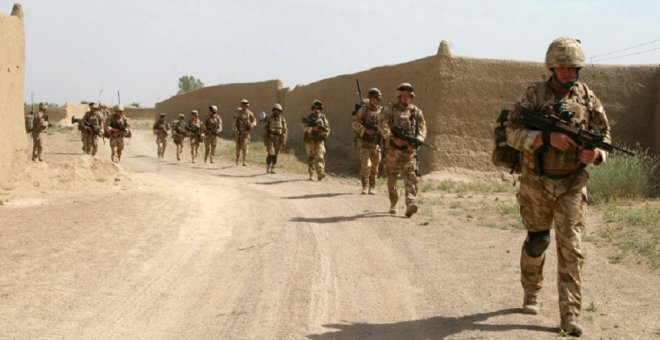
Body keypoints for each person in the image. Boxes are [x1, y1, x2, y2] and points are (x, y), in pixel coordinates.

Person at [506, 36, 612, 337]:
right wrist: (543, 138)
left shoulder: (588, 98)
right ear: (551, 67)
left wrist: (596, 154)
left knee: (572, 249)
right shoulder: (534, 95)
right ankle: (531, 290)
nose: (567, 72)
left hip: (572, 185)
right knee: (538, 242)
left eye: (572, 67)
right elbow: (511, 132)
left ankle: (569, 314)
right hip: (536, 184)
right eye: (561, 67)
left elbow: (606, 137)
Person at [378, 83, 426, 217]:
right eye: (404, 95)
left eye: (409, 96)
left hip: (409, 151)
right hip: (393, 151)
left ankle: (411, 203)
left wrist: (417, 143)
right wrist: (393, 138)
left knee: (411, 176)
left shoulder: (416, 111)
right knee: (392, 178)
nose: (406, 98)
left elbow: (422, 128)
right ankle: (393, 202)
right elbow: (382, 124)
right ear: (399, 96)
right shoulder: (389, 109)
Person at [352, 88, 383, 194]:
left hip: (376, 142)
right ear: (370, 99)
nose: (374, 101)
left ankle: (372, 186)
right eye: (372, 99)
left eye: (376, 99)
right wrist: (365, 130)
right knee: (365, 164)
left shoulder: (382, 111)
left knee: (375, 166)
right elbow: (354, 122)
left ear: (378, 99)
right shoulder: (363, 110)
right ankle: (365, 186)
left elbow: (386, 125)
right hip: (364, 142)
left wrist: (379, 131)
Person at [302, 99, 331, 180]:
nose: (317, 110)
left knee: (320, 157)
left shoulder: (323, 118)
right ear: (313, 108)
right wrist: (312, 129)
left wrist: (325, 133)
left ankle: (320, 174)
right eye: (315, 108)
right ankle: (311, 173)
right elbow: (304, 128)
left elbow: (328, 129)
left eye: (318, 108)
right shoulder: (309, 117)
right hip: (310, 140)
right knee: (311, 157)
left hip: (319, 140)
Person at [263, 103, 288, 173]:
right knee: (271, 152)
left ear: (280, 111)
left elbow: (285, 130)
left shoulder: (282, 119)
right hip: (270, 138)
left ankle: (273, 167)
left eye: (278, 110)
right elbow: (265, 129)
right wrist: (265, 139)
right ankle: (268, 166)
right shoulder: (269, 118)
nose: (276, 112)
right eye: (275, 110)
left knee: (276, 154)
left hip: (278, 139)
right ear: (273, 111)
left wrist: (283, 140)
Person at [232, 99, 256, 166]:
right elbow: (234, 121)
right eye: (243, 104)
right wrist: (235, 131)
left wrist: (253, 124)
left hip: (246, 133)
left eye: (245, 104)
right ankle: (237, 159)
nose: (244, 106)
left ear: (247, 105)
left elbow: (254, 120)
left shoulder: (249, 113)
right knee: (238, 148)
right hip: (239, 133)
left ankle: (244, 161)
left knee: (245, 148)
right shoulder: (237, 112)